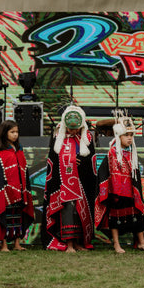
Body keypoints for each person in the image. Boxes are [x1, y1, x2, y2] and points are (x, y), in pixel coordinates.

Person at [42, 105, 97, 252]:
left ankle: (78, 243)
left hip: (82, 182)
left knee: (79, 214)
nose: (73, 132)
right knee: (67, 212)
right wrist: (69, 161)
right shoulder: (58, 138)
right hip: (63, 183)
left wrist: (81, 163)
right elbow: (53, 161)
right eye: (70, 129)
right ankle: (69, 244)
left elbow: (91, 162)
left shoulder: (87, 138)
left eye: (76, 129)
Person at [95, 112, 144, 253]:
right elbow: (104, 172)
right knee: (115, 218)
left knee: (137, 214)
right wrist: (110, 189)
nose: (130, 138)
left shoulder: (132, 153)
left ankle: (141, 242)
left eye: (131, 135)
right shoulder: (112, 152)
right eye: (126, 135)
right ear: (118, 136)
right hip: (117, 192)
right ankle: (116, 244)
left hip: (131, 191)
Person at [0, 120, 34, 251]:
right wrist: (4, 188)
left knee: (18, 216)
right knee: (5, 216)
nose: (15, 134)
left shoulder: (19, 149)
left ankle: (17, 243)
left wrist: (24, 188)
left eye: (17, 132)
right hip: (6, 191)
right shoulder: (1, 151)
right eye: (12, 132)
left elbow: (23, 170)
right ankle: (4, 244)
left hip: (20, 190)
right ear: (4, 133)